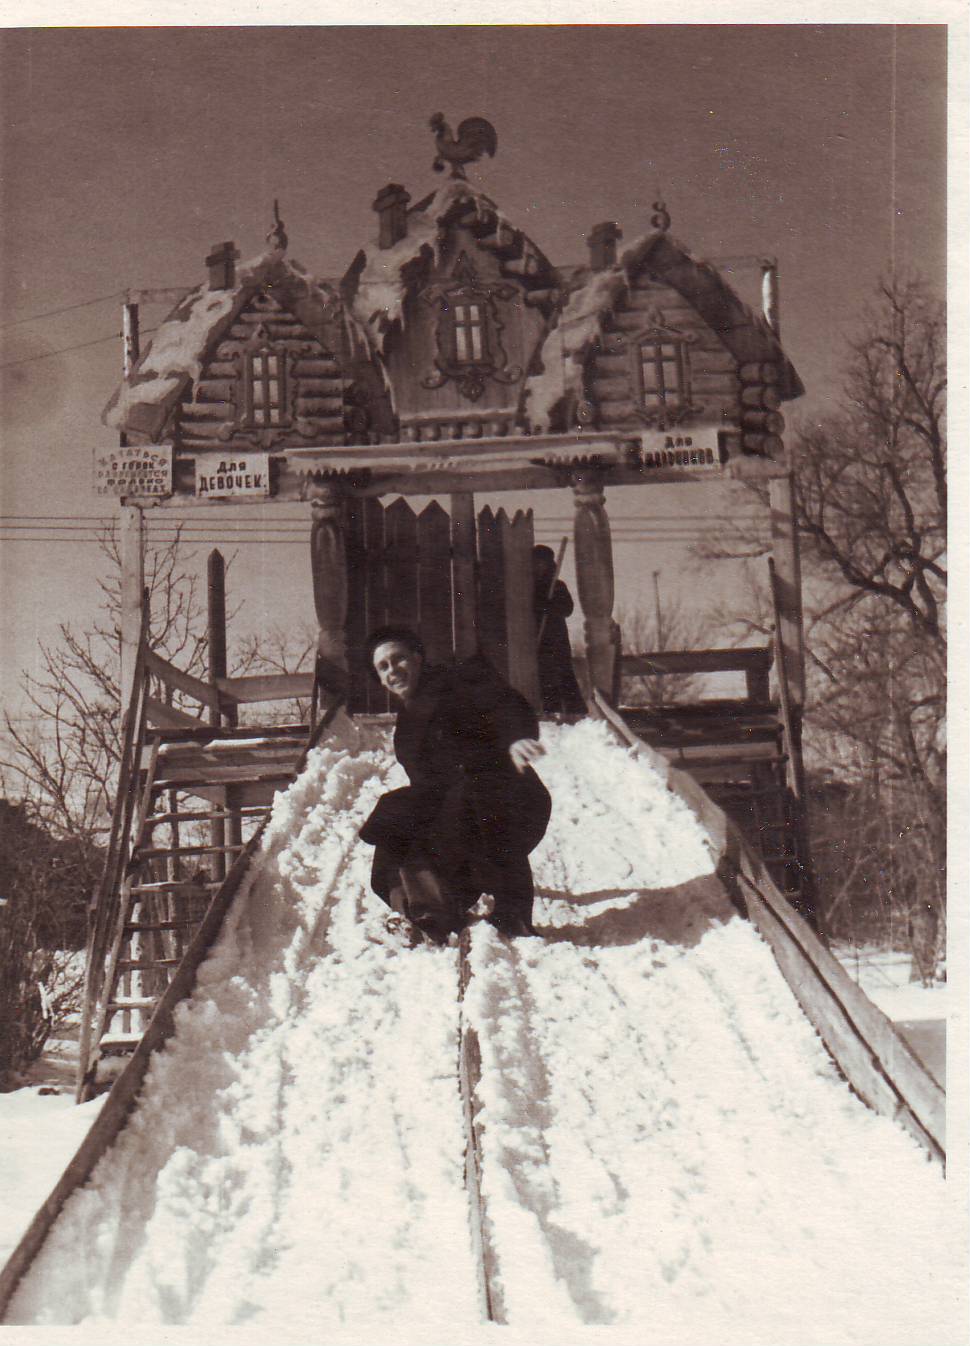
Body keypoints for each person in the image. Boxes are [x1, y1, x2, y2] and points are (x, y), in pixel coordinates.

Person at [358, 626, 551, 944]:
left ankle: (513, 912)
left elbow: (505, 704)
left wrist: (516, 738)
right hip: (462, 818)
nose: (394, 670)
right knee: (398, 811)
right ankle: (418, 913)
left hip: (510, 802)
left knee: (473, 792)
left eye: (399, 659)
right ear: (380, 679)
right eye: (384, 667)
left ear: (418, 659)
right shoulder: (404, 733)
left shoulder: (457, 684)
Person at [532, 545, 587, 715]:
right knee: (544, 676)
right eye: (536, 563)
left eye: (543, 563)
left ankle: (576, 712)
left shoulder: (557, 586)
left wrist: (551, 605)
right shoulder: (528, 587)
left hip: (556, 638)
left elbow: (567, 609)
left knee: (563, 672)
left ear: (549, 565)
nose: (539, 567)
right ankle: (551, 710)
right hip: (536, 638)